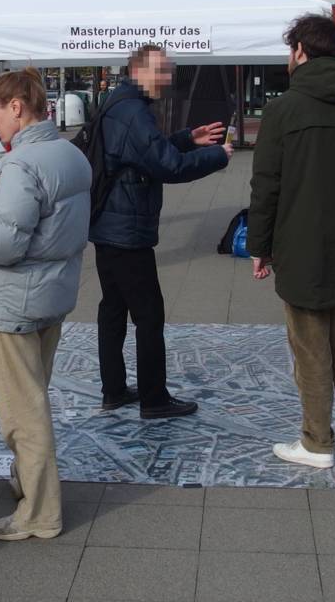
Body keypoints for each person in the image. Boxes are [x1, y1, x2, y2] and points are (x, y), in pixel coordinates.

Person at [248, 14, 335, 469]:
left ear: (299, 52)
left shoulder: (283, 109)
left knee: (311, 348)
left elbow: (266, 185)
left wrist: (259, 246)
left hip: (301, 246)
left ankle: (317, 442)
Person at [0, 68, 91, 541]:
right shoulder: (69, 154)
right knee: (33, 397)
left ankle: (39, 512)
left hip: (15, 300)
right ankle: (28, 487)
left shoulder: (23, 164)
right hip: (51, 294)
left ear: (16, 106)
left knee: (23, 414)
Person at [90, 44, 233, 420]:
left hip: (108, 225)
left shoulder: (118, 103)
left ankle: (115, 390)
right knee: (149, 316)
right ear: (138, 70)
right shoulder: (134, 111)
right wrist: (218, 155)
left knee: (113, 310)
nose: (168, 79)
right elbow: (167, 166)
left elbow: (143, 153)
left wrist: (188, 138)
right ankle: (154, 400)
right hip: (127, 230)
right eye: (162, 71)